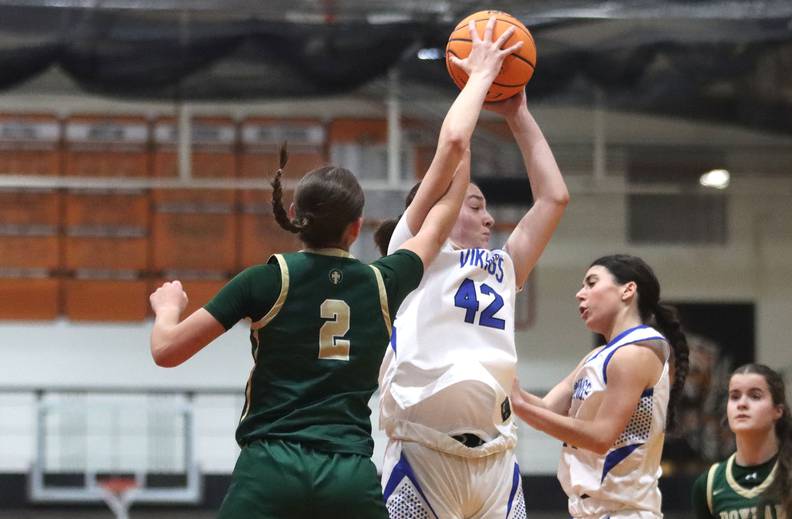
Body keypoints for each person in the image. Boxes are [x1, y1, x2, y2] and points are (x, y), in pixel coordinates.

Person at [147, 17, 520, 519]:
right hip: (347, 472)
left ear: (297, 220)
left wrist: (167, 308)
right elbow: (452, 158)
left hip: (270, 466)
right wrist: (475, 83)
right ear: (358, 227)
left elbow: (167, 351)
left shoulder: (266, 278)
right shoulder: (384, 282)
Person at [375, 22, 570, 519]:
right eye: (475, 204)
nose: (488, 218)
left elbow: (554, 197)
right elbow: (455, 145)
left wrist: (519, 113)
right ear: (442, 204)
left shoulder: (505, 268)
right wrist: (478, 77)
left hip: (497, 456)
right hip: (424, 452)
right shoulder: (412, 251)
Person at [511, 254, 691, 518]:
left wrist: (523, 409)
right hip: (591, 509)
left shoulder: (637, 351)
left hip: (624, 511)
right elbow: (547, 406)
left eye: (591, 283)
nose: (579, 294)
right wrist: (501, 379)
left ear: (628, 290)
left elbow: (600, 437)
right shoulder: (597, 356)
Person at [692, 363, 792, 519]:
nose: (742, 404)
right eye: (734, 396)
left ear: (778, 410)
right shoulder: (709, 484)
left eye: (755, 396)